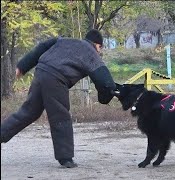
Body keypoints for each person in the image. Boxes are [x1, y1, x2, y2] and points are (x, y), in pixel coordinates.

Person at [1, 29, 117, 168]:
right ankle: (65, 158)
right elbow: (106, 82)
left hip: (41, 72)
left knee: (28, 111)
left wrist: (23, 66)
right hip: (57, 78)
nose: (99, 52)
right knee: (61, 115)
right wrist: (105, 98)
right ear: (98, 45)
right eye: (100, 49)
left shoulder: (65, 40)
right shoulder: (91, 53)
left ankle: (2, 133)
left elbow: (43, 46)